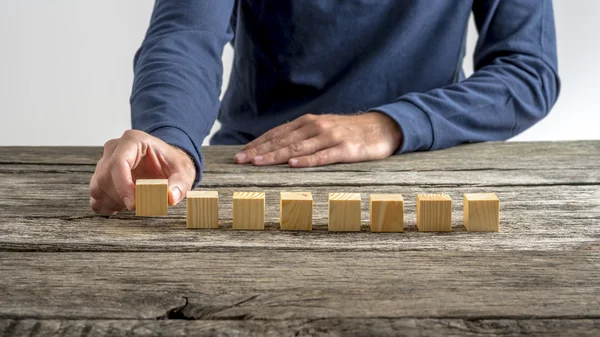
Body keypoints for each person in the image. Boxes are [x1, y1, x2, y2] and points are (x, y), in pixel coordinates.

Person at [90, 1, 560, 215]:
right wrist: (168, 136)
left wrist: (392, 124)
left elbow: (528, 70)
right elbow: (187, 34)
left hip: (425, 173)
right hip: (253, 170)